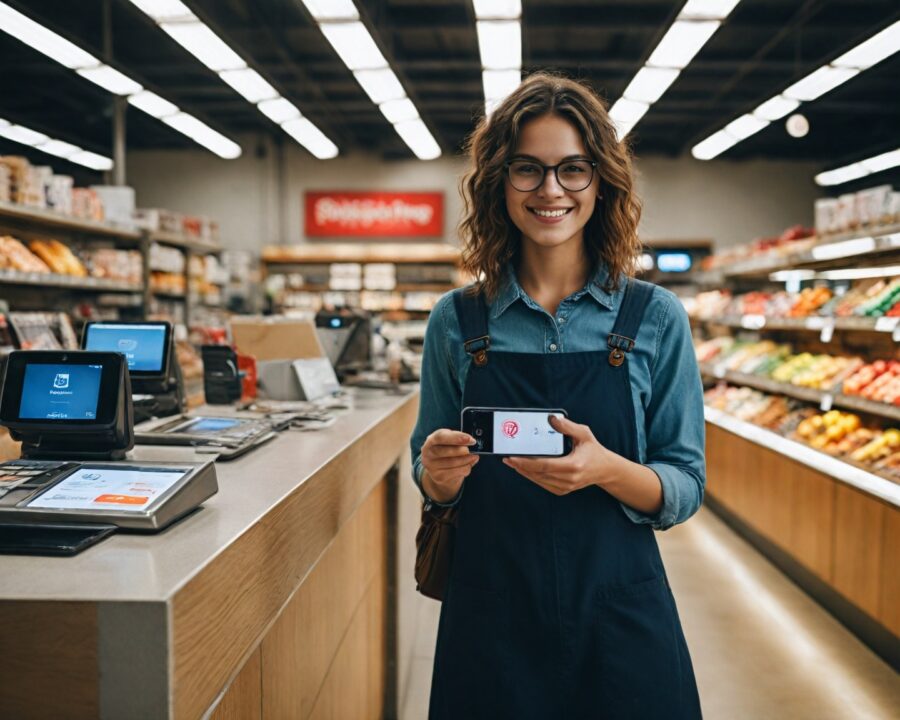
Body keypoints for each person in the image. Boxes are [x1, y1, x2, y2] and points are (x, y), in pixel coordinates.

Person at [409, 72, 705, 719]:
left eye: (572, 169)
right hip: (491, 618)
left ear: (601, 182)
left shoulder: (654, 318)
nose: (550, 190)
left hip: (619, 614)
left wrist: (607, 470)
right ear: (499, 181)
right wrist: (438, 475)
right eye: (527, 169)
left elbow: (685, 483)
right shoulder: (456, 321)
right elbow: (426, 472)